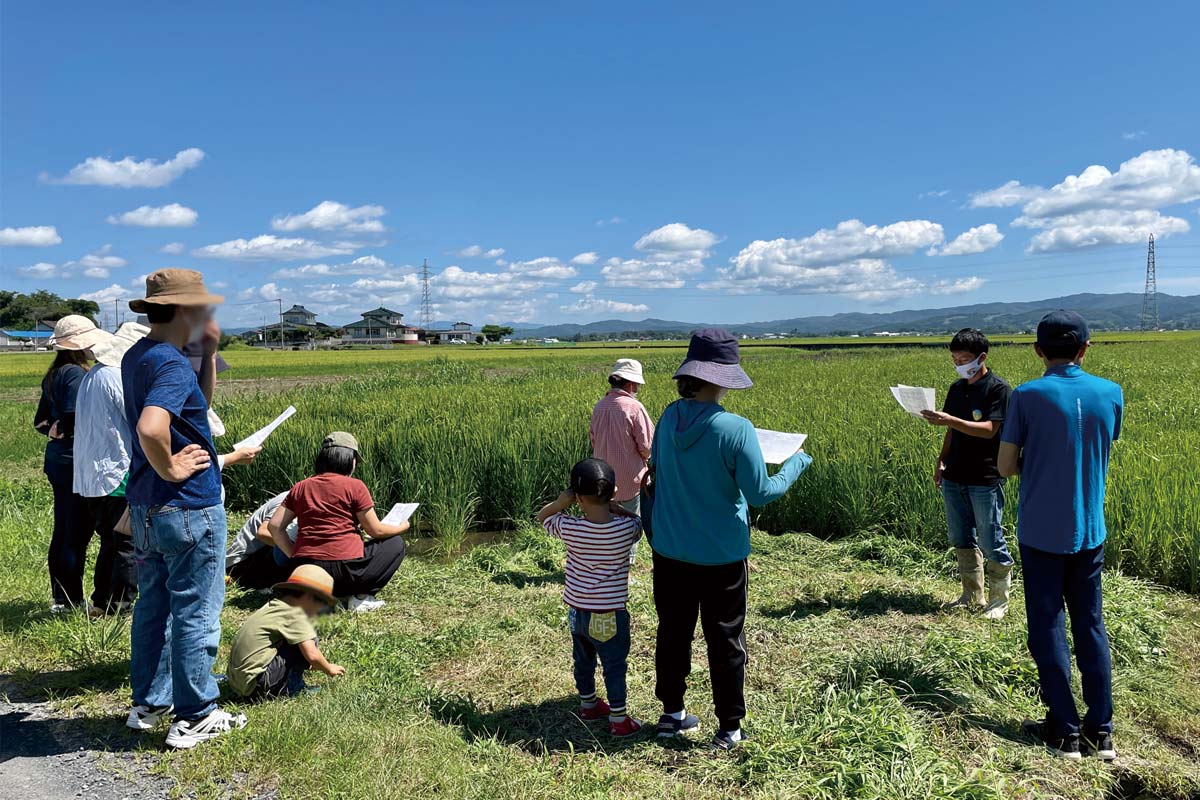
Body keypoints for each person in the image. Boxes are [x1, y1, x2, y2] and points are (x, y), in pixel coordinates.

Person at [648, 329, 811, 749]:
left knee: (673, 631)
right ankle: (730, 727)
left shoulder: (667, 417)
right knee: (724, 639)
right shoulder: (736, 429)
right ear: (721, 377)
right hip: (720, 555)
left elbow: (660, 474)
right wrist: (796, 464)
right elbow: (761, 493)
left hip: (669, 549)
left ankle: (672, 713)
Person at [121, 269, 247, 749]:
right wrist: (172, 468)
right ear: (184, 310)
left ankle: (149, 704)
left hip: (148, 507)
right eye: (202, 308)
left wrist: (209, 353)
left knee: (154, 605)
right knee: (196, 609)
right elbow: (153, 427)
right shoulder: (171, 364)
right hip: (188, 505)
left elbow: (195, 413)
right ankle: (195, 714)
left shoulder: (142, 356)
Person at [998, 310, 1122, 762]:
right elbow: (1102, 447)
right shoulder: (1111, 393)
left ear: (1038, 351)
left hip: (1042, 532)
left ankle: (1064, 731)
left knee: (1047, 626)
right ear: (1085, 349)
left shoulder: (1027, 396)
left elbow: (1006, 466)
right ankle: (1101, 731)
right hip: (1091, 529)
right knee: (1091, 624)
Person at [537, 458, 644, 738]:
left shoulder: (570, 528)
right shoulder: (625, 530)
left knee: (583, 660)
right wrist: (618, 509)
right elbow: (638, 524)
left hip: (578, 612)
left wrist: (562, 502)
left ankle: (588, 704)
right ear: (614, 491)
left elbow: (543, 517)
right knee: (613, 665)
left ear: (578, 497)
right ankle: (619, 719)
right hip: (609, 614)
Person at [921, 328, 1015, 620]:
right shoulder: (956, 388)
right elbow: (951, 431)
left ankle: (999, 600)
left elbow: (990, 430)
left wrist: (951, 419)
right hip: (955, 474)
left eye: (963, 358)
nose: (959, 364)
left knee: (990, 538)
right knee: (961, 536)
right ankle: (971, 594)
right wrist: (941, 460)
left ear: (981, 357)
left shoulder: (998, 388)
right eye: (954, 359)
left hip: (985, 476)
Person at [268, 432, 408, 611]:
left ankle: (322, 597)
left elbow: (274, 526)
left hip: (307, 573)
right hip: (345, 575)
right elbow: (375, 530)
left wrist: (294, 557)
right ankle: (360, 597)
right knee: (395, 543)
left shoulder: (301, 486)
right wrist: (402, 526)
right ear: (350, 460)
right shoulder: (355, 486)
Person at [72, 321, 149, 617]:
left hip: (94, 475)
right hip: (117, 473)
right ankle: (120, 605)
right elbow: (141, 423)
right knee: (127, 543)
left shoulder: (96, 374)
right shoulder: (117, 376)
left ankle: (101, 601)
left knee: (110, 541)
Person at [36, 315, 112, 613]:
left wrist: (55, 430)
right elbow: (73, 415)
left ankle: (62, 597)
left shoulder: (55, 372)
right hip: (73, 459)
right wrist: (66, 428)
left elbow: (41, 421)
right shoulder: (77, 375)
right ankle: (69, 599)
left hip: (57, 458)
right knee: (76, 531)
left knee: (65, 527)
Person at [227, 564, 345, 699]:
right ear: (309, 597)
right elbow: (312, 655)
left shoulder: (276, 606)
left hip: (238, 684)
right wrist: (329, 668)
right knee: (307, 639)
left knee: (300, 638)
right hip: (256, 687)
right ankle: (293, 688)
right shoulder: (296, 614)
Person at [589, 358, 654, 516]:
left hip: (602, 479)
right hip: (629, 482)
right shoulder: (634, 407)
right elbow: (647, 447)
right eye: (637, 386)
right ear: (631, 384)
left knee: (608, 529)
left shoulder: (599, 406)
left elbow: (593, 441)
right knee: (630, 528)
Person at [226, 492, 299, 590]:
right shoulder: (290, 498)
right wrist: (298, 552)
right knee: (284, 543)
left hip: (259, 556)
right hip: (242, 562)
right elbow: (263, 533)